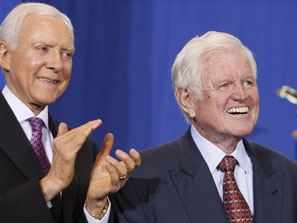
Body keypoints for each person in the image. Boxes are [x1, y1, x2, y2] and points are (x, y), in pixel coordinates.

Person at [109, 31, 297, 223]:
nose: (242, 94)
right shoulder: (144, 179)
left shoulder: (289, 176)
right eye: (225, 85)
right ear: (187, 99)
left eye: (248, 82)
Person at [0, 3, 140, 223]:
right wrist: (50, 183)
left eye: (67, 54)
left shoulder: (84, 150)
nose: (57, 64)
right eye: (42, 48)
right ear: (5, 55)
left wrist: (94, 206)